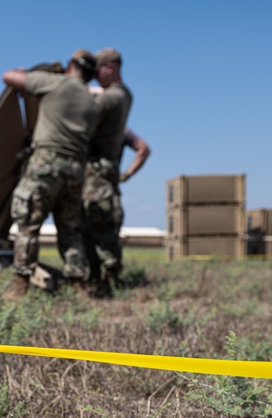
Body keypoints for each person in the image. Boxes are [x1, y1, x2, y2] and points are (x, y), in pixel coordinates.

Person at [1, 49, 99, 300]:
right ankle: (79, 287)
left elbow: (8, 77)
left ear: (70, 66)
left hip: (46, 164)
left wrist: (26, 74)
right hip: (76, 170)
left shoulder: (56, 83)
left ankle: (19, 286)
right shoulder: (92, 102)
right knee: (70, 230)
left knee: (28, 224)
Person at [82, 48, 151, 295]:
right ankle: (104, 279)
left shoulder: (113, 98)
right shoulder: (121, 108)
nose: (94, 78)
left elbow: (83, 115)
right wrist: (125, 175)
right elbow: (143, 148)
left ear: (109, 67)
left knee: (99, 230)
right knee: (100, 229)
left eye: (97, 72)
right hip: (106, 179)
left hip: (97, 178)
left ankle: (107, 282)